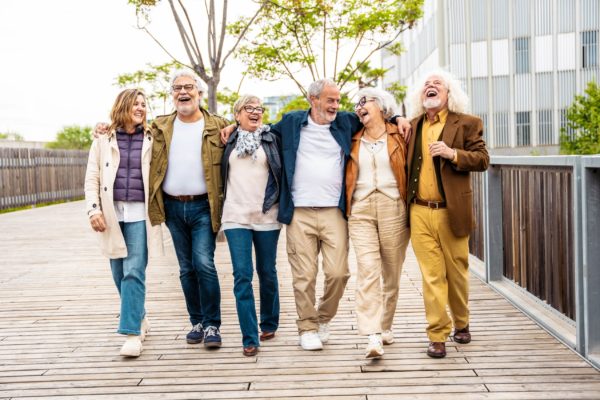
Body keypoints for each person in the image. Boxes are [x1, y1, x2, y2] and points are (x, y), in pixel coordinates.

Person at [405, 69, 489, 358]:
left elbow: (482, 159)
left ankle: (462, 322)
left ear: (448, 93)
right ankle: (437, 334)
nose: (431, 86)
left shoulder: (467, 123)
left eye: (437, 83)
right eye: (426, 84)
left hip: (451, 211)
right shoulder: (413, 126)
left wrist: (453, 154)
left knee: (457, 273)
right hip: (419, 211)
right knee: (431, 276)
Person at [148, 70, 229, 349]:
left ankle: (212, 325)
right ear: (172, 95)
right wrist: (104, 127)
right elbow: (128, 130)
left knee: (203, 263)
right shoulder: (159, 127)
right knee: (186, 268)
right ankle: (196, 321)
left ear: (199, 92)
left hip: (204, 206)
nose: (183, 92)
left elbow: (247, 135)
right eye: (177, 88)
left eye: (188, 87)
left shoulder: (218, 126)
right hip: (172, 206)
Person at [84, 88, 164, 357]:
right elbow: (92, 176)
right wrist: (93, 209)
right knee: (119, 273)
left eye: (144, 104)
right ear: (123, 106)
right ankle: (139, 315)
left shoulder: (154, 137)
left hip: (140, 215)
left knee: (133, 271)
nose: (141, 108)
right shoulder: (103, 139)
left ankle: (131, 333)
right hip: (111, 214)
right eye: (135, 104)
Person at [345, 88, 410, 359]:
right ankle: (372, 335)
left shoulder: (401, 134)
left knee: (391, 273)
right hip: (360, 209)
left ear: (381, 108)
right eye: (356, 104)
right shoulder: (351, 136)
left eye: (365, 101)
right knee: (368, 270)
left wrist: (399, 118)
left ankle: (385, 325)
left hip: (393, 206)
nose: (359, 107)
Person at [221, 95, 282, 357]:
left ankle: (268, 322)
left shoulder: (272, 137)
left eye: (259, 109)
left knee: (267, 271)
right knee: (242, 275)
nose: (255, 112)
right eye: (249, 109)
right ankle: (249, 336)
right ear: (237, 115)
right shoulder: (226, 139)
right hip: (235, 216)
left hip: (267, 214)